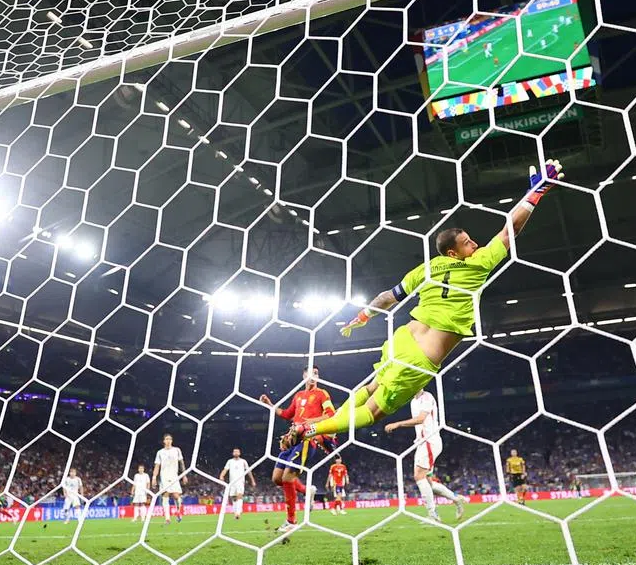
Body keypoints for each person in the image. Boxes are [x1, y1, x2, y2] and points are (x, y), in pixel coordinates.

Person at [289, 160, 564, 444]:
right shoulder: (478, 264)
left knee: (371, 388)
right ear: (453, 253)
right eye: (467, 243)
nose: (475, 244)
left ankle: (322, 424)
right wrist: (535, 194)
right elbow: (509, 230)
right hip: (419, 358)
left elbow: (386, 297)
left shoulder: (427, 268)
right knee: (373, 412)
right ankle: (311, 430)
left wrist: (362, 317)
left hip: (402, 340)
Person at [260, 367, 335, 532]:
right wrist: (270, 405)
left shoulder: (322, 393)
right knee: (277, 479)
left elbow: (331, 414)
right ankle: (307, 491)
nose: (313, 376)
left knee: (287, 477)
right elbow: (287, 414)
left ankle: (291, 521)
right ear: (303, 376)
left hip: (307, 440)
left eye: (316, 373)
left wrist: (311, 422)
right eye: (310, 373)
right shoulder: (298, 395)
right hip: (292, 439)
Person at [385, 388, 467, 521]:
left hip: (430, 440)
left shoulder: (427, 397)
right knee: (428, 482)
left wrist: (398, 424)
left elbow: (421, 419)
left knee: (419, 476)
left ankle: (433, 514)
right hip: (422, 442)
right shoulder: (413, 401)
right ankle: (456, 499)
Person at [152, 434, 188, 524]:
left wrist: (184, 475)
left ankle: (178, 512)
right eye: (166, 439)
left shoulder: (177, 450)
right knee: (165, 495)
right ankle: (167, 519)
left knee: (176, 496)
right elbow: (157, 465)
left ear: (172, 441)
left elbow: (181, 463)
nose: (168, 441)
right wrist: (154, 477)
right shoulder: (160, 452)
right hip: (164, 476)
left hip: (174, 476)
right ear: (163, 441)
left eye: (170, 439)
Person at [219, 448, 256, 520]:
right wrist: (221, 475)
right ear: (233, 453)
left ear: (239, 453)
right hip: (232, 482)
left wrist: (252, 480)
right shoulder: (230, 461)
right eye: (234, 452)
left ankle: (238, 513)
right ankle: (235, 512)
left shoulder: (243, 461)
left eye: (237, 452)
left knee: (239, 495)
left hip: (240, 481)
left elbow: (248, 471)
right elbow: (225, 469)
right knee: (233, 497)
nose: (236, 453)